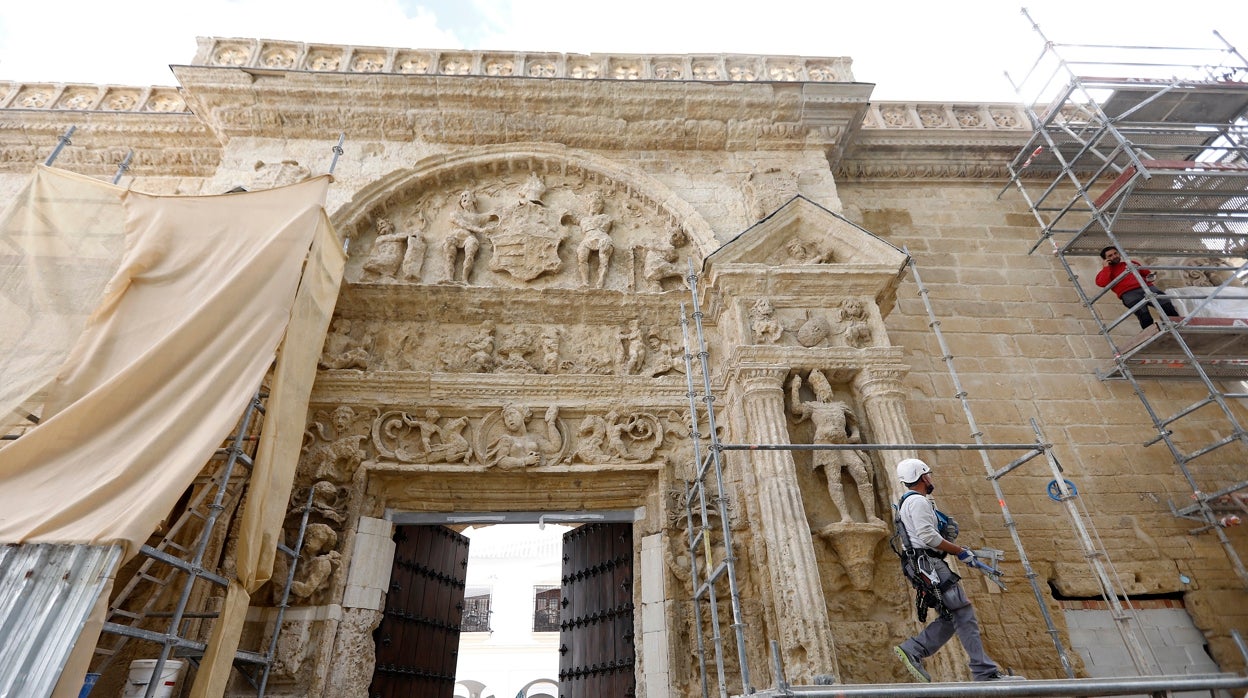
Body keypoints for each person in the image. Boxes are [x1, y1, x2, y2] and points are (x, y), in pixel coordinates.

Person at [892, 458, 1024, 683]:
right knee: (962, 612)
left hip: (923, 565)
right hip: (930, 565)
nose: (931, 478)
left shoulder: (908, 502)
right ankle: (984, 672)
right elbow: (928, 536)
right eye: (929, 475)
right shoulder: (918, 502)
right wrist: (959, 551)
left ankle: (915, 648)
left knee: (953, 615)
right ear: (923, 477)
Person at [1095, 246, 1178, 330]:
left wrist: (1151, 277)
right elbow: (1102, 283)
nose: (1114, 256)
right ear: (1105, 259)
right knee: (1145, 316)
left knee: (1167, 305)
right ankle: (1149, 336)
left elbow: (1147, 274)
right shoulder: (1106, 271)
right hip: (1129, 294)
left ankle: (1178, 327)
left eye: (1115, 253)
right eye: (1110, 256)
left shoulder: (1131, 263)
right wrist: (1106, 268)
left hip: (1146, 288)